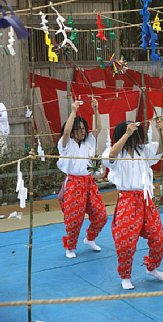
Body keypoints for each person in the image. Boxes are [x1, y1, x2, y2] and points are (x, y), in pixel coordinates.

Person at [102, 118, 163, 290]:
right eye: (132, 134)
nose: (134, 138)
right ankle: (125, 275)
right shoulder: (114, 151)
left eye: (134, 134)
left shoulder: (143, 151)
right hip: (127, 200)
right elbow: (111, 155)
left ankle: (152, 267)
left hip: (145, 199)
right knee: (125, 242)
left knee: (159, 238)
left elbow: (162, 148)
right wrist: (126, 134)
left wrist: (160, 129)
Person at [57, 100, 107, 258]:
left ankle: (90, 238)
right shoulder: (66, 144)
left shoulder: (88, 142)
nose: (83, 132)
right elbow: (65, 132)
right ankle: (70, 246)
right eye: (79, 130)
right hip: (73, 183)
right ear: (72, 131)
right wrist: (73, 111)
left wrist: (96, 110)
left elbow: (98, 129)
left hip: (89, 182)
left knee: (101, 215)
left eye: (84, 129)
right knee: (74, 219)